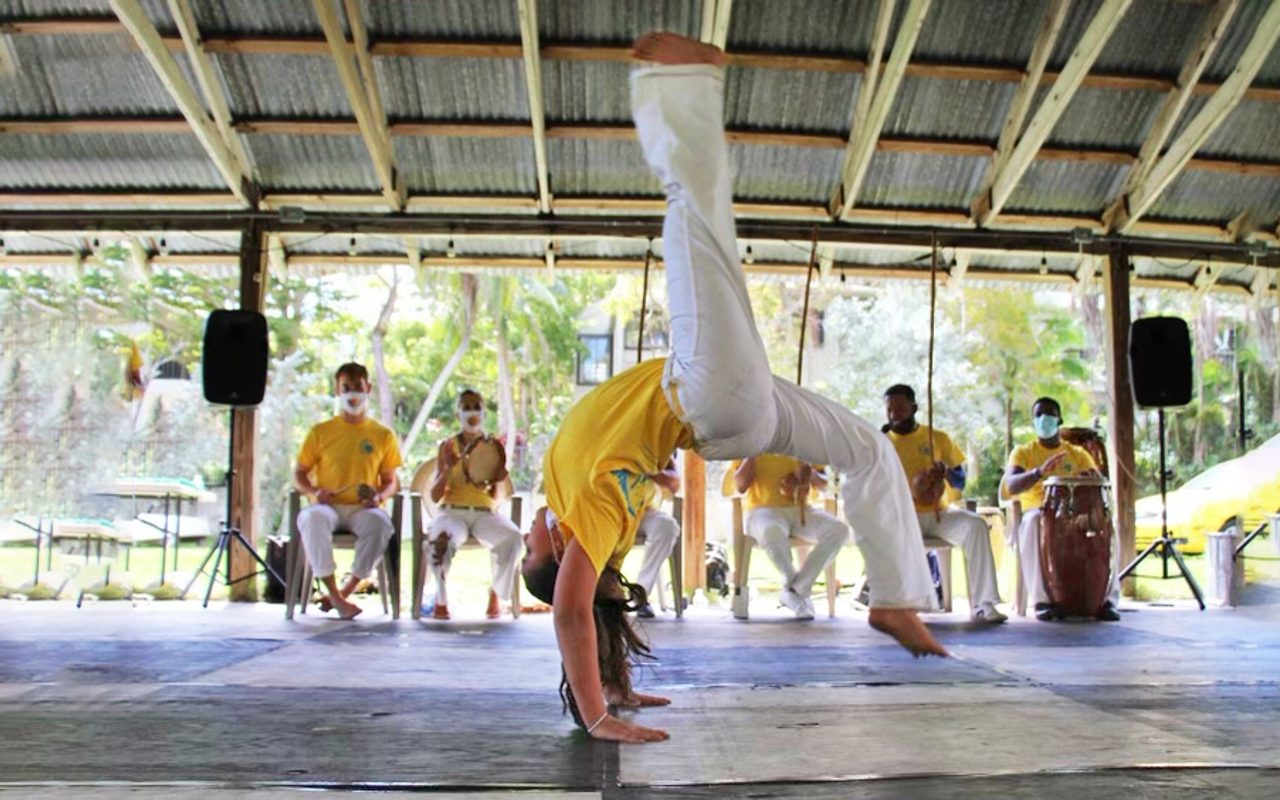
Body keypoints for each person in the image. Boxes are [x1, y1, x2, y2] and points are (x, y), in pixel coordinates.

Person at [520, 31, 945, 745]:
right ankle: (678, 81)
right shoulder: (586, 509)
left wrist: (620, 685)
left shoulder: (589, 501)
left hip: (730, 405)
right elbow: (572, 611)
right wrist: (596, 715)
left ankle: (897, 599)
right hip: (706, 390)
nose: (529, 534)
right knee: (696, 215)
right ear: (556, 555)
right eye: (532, 550)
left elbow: (594, 603)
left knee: (868, 447)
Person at [882, 384, 1006, 623]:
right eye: (889, 409)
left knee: (975, 525)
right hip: (904, 517)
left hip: (940, 515)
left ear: (914, 408)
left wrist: (946, 472)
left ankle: (984, 604)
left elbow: (959, 481)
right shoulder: (883, 443)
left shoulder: (938, 438)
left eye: (900, 408)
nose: (894, 414)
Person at [293, 362, 402, 620]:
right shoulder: (320, 432)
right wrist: (314, 491)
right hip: (326, 506)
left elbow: (390, 480)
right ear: (337, 390)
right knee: (312, 518)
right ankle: (336, 595)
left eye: (358, 388)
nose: (353, 394)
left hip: (362, 510)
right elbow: (299, 474)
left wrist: (379, 497)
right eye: (347, 388)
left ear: (368, 389)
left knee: (379, 524)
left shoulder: (383, 435)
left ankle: (343, 593)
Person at [1003, 396, 1121, 622]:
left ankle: (1107, 600)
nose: (1043, 420)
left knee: (1109, 527)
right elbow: (1011, 484)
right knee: (1032, 523)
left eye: (1048, 415)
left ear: (1059, 420)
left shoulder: (1077, 454)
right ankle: (1042, 601)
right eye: (1038, 415)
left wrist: (1089, 478)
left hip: (1075, 514)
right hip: (1038, 511)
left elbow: (1097, 480)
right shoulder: (1023, 452)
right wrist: (1039, 472)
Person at [425, 389, 522, 620]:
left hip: (485, 514)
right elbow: (436, 495)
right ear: (458, 413)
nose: (472, 412)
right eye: (466, 407)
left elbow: (497, 496)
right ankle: (441, 600)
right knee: (439, 542)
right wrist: (447, 469)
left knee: (513, 538)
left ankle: (496, 593)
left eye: (476, 406)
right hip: (452, 513)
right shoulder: (448, 447)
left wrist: (496, 478)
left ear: (483, 412)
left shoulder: (492, 447)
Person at [731, 454, 848, 620]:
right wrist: (754, 453)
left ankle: (796, 588)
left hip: (802, 510)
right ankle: (794, 586)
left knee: (839, 530)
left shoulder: (802, 441)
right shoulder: (752, 441)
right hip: (763, 511)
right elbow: (740, 486)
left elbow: (824, 484)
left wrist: (810, 475)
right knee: (772, 531)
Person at [632, 456, 681, 619]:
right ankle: (605, 596)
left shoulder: (655, 446)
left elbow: (674, 484)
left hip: (645, 511)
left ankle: (641, 594)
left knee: (667, 526)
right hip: (611, 510)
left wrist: (648, 469)